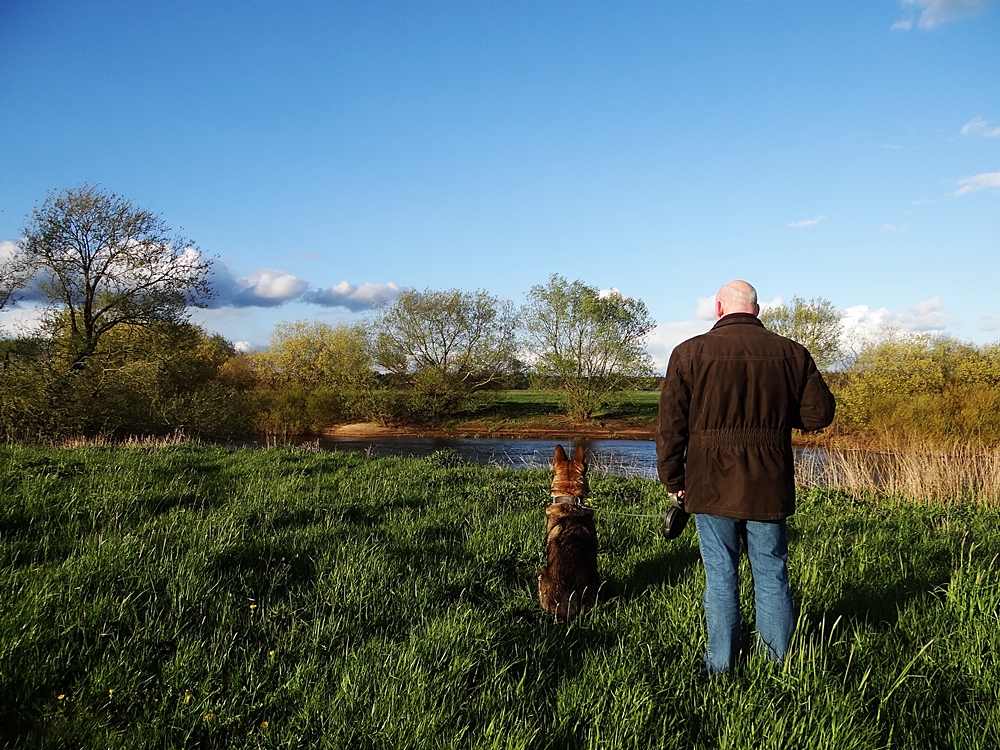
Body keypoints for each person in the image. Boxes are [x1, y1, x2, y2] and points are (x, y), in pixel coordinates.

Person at [656, 280, 835, 675]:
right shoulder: (791, 352)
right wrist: (776, 417)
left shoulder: (688, 353)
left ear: (719, 308)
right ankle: (778, 667)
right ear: (756, 309)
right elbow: (819, 414)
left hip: (708, 481)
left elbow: (671, 426)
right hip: (768, 483)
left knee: (721, 574)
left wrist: (673, 479)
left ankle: (720, 667)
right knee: (771, 572)